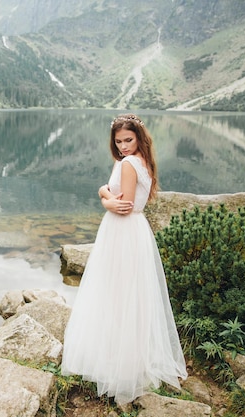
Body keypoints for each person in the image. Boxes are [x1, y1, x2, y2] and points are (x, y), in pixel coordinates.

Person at [61, 113, 188, 406]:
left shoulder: (129, 163)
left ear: (139, 137)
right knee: (128, 294)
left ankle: (121, 362)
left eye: (128, 140)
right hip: (132, 232)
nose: (122, 146)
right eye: (118, 142)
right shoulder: (136, 160)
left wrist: (104, 198)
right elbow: (112, 190)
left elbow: (123, 205)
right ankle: (126, 355)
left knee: (119, 292)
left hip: (123, 231)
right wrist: (104, 191)